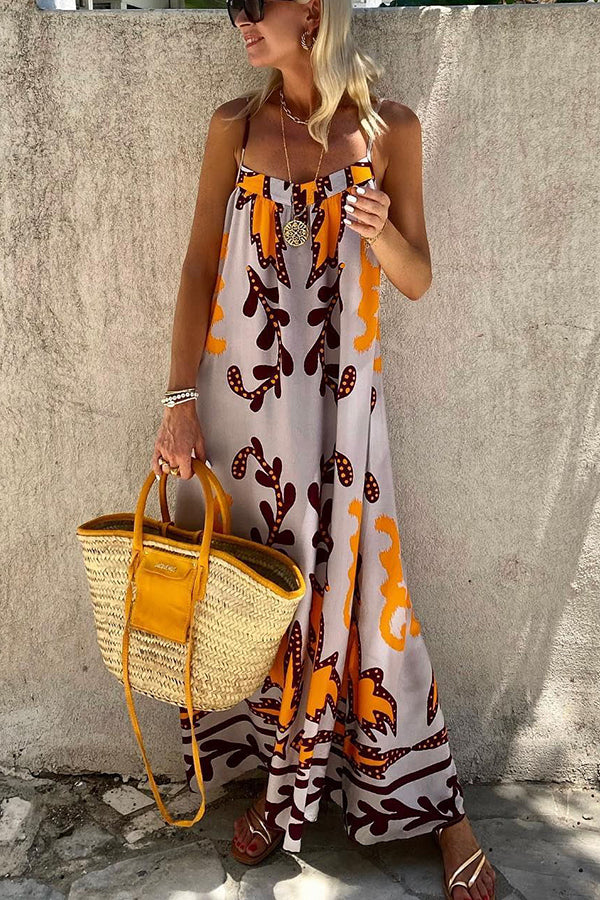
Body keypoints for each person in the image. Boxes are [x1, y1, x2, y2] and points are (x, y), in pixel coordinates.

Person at [152, 0, 496, 897]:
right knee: (261, 591)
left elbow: (417, 279)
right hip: (247, 415)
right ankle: (280, 785)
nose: (238, 18)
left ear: (311, 7)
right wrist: (179, 401)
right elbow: (197, 267)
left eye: (252, 3)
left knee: (370, 597)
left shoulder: (391, 130)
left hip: (344, 419)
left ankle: (439, 807)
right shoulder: (234, 127)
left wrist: (380, 231)